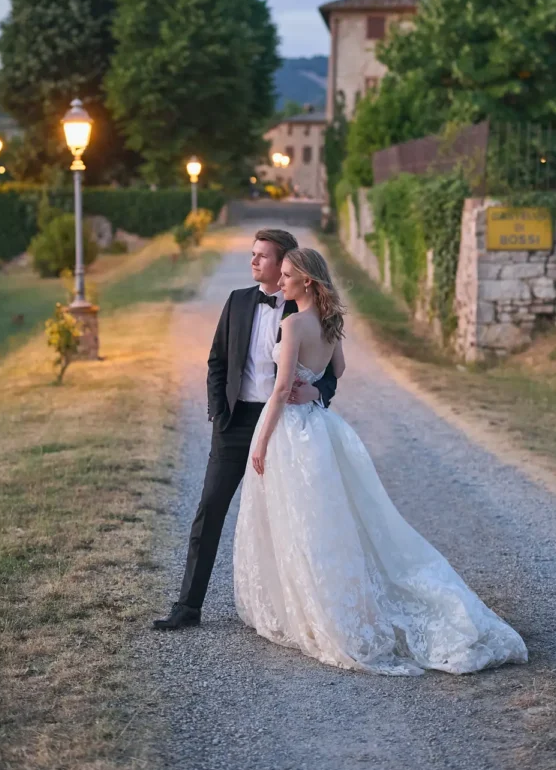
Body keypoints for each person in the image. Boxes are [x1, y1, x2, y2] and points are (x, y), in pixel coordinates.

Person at [234, 247, 528, 675]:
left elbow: (279, 392)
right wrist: (316, 391)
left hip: (290, 432)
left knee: (301, 520)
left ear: (307, 282)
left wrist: (260, 443)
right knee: (320, 519)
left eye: (286, 276)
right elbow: (340, 367)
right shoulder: (330, 323)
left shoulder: (294, 323)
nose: (280, 283)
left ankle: (315, 608)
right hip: (318, 427)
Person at [153, 229, 337, 631]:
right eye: (252, 255)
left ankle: (294, 611)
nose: (253, 262)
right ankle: (188, 606)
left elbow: (329, 373)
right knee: (209, 511)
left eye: (262, 256)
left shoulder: (302, 311)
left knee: (285, 518)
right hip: (236, 424)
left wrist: (316, 393)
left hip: (285, 426)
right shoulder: (237, 302)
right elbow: (216, 362)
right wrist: (219, 416)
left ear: (287, 264)